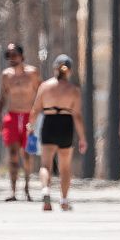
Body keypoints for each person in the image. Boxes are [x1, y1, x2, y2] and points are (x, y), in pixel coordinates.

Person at [28, 55, 87, 211]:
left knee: (45, 164)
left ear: (55, 68)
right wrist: (82, 138)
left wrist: (30, 126)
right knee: (65, 167)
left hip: (49, 123)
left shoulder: (45, 87)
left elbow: (35, 110)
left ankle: (45, 190)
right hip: (65, 125)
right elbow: (78, 116)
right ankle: (64, 200)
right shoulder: (73, 90)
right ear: (70, 71)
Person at [0, 43, 41, 202]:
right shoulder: (6, 75)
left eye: (14, 55)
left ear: (22, 56)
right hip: (12, 116)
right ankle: (13, 191)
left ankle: (27, 188)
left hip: (29, 116)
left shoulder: (33, 73)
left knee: (27, 154)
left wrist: (38, 115)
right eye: (8, 55)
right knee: (13, 155)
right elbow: (1, 98)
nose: (11, 58)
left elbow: (40, 94)